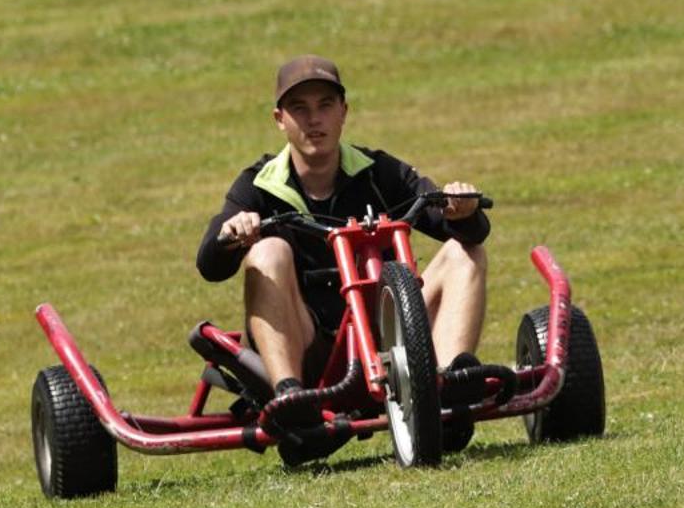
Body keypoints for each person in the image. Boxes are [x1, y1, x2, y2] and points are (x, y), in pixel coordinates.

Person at [195, 55, 492, 450]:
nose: (314, 120)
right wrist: (233, 234)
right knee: (268, 252)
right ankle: (291, 400)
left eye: (325, 106)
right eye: (299, 109)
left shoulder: (380, 172)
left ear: (343, 113)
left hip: (392, 338)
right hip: (309, 348)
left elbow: (461, 228)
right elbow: (210, 265)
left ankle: (451, 382)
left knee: (464, 253)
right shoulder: (259, 186)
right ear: (279, 119)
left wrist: (462, 210)